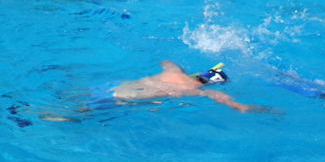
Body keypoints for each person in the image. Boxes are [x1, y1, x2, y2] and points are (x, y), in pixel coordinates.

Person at [104, 61, 266, 113]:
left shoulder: (175, 72)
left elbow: (166, 61)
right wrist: (247, 107)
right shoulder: (194, 90)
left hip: (111, 87)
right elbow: (233, 104)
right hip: (122, 100)